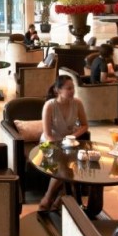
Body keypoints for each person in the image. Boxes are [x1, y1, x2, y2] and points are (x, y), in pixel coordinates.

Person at [38, 75, 89, 211]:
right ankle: (50, 197)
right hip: (49, 143)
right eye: (68, 88)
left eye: (73, 88)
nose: (72, 91)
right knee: (64, 166)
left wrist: (72, 137)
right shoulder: (50, 105)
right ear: (58, 90)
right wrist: (61, 146)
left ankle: (56, 199)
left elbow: (85, 125)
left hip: (69, 143)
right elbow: (47, 134)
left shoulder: (77, 103)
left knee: (75, 164)